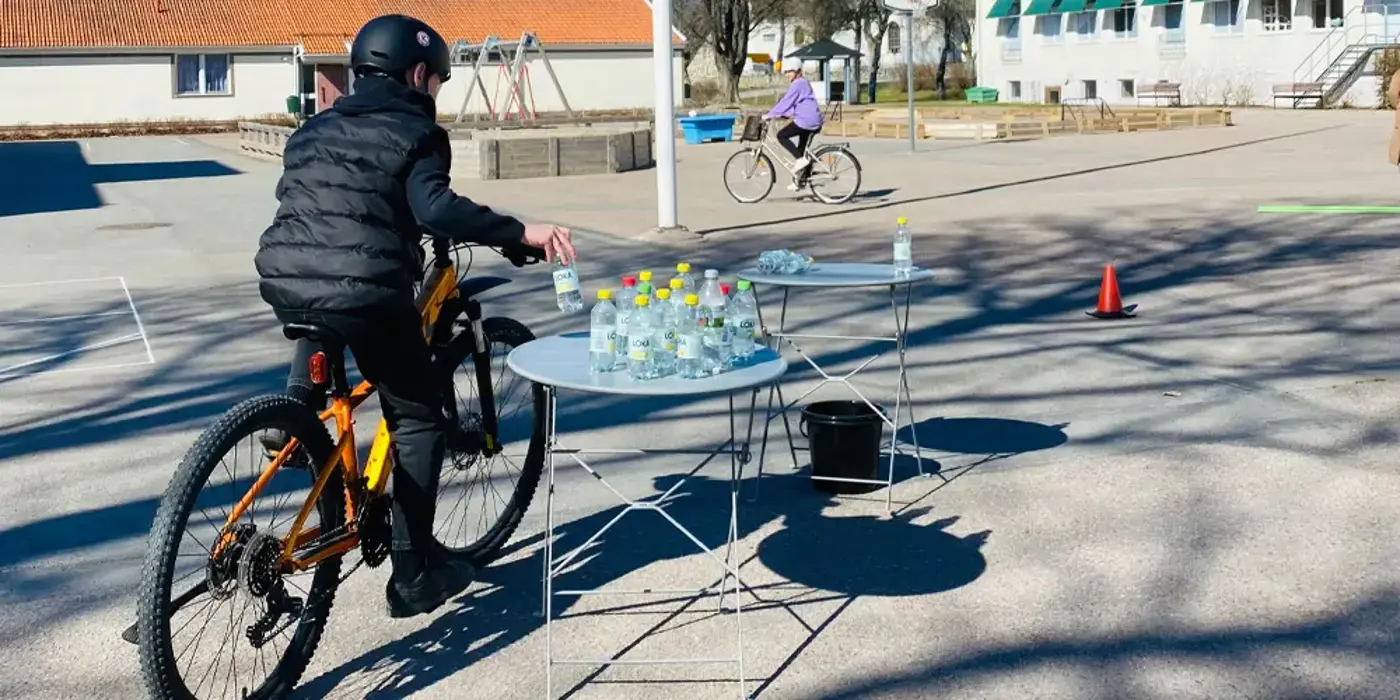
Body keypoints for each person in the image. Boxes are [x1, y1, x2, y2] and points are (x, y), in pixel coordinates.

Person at [252, 14, 575, 618]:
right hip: (366, 289)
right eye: (438, 84)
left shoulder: (315, 127)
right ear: (419, 74)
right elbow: (434, 206)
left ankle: (296, 412)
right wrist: (518, 232)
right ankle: (413, 572)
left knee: (327, 294)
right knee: (419, 417)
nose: (435, 95)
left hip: (284, 272)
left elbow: (342, 204)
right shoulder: (417, 131)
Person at [763, 65, 824, 190]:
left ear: (797, 71)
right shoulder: (803, 82)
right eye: (786, 72)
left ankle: (801, 161)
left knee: (781, 135)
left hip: (806, 120)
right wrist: (783, 114)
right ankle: (799, 181)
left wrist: (770, 114)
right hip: (812, 119)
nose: (787, 74)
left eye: (789, 71)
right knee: (800, 150)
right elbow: (797, 102)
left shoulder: (798, 84)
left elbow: (787, 101)